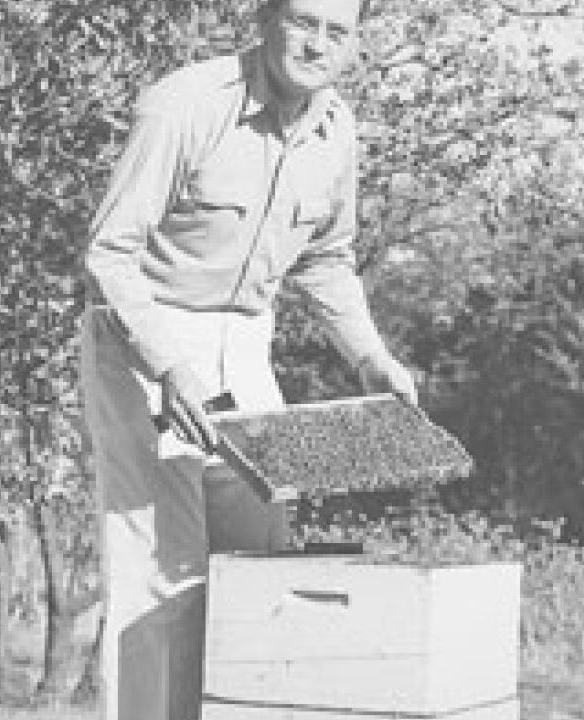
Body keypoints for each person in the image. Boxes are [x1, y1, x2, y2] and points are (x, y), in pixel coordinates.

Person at [79, 0, 415, 717]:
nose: (317, 43)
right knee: (162, 576)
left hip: (246, 342)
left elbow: (328, 259)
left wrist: (370, 356)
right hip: (147, 339)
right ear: (266, 19)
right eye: (303, 21)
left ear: (356, 45)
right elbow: (109, 253)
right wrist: (169, 367)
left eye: (338, 31)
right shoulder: (184, 106)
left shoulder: (338, 130)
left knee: (262, 561)